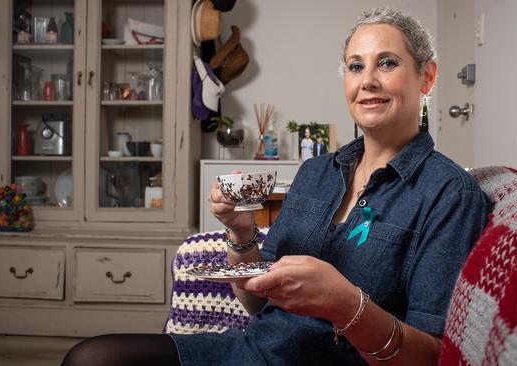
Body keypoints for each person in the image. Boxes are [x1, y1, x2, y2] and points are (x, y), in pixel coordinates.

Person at [61, 7, 490, 366]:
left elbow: (431, 355)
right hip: (251, 352)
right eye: (356, 66)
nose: (367, 80)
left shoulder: (449, 194)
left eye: (388, 63)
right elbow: (259, 304)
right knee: (92, 358)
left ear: (427, 78)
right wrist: (241, 233)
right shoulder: (315, 173)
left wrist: (345, 304)